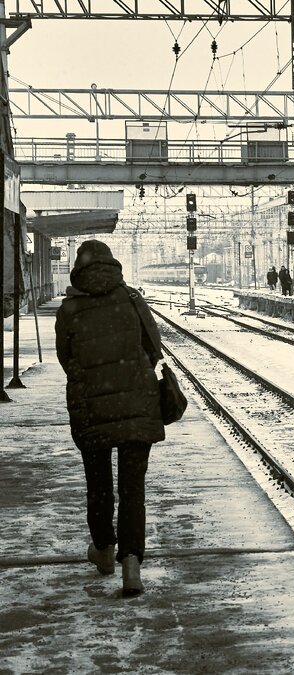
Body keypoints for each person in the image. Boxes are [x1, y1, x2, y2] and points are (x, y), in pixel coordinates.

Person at [55, 240, 166, 596]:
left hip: (93, 408)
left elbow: (66, 357)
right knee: (133, 489)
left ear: (80, 268)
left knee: (99, 485)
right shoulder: (132, 299)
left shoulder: (70, 308)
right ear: (113, 265)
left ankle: (104, 550)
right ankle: (131, 562)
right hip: (137, 406)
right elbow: (154, 348)